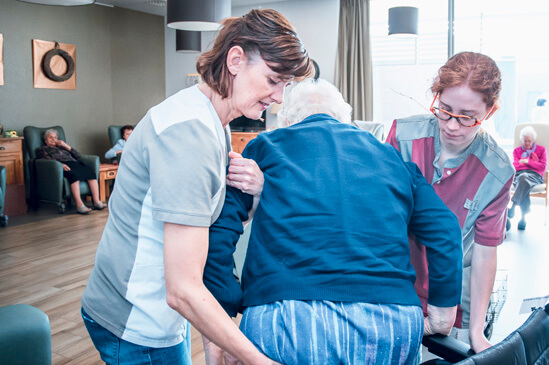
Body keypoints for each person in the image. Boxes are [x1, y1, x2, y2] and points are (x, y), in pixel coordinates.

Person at [80, 9, 311, 365]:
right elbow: (183, 290)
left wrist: (216, 344)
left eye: (285, 85)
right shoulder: (190, 135)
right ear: (236, 60)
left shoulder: (212, 121)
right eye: (273, 80)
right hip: (136, 321)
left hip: (158, 311)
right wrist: (259, 360)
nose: (279, 97)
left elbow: (207, 240)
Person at [205, 78, 463, 364]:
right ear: (347, 120)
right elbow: (446, 230)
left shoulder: (266, 146)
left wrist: (230, 299)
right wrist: (441, 315)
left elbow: (219, 227)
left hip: (287, 318)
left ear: (287, 121)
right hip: (391, 321)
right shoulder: (392, 158)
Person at [386, 51, 515, 354]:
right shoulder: (402, 136)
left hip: (450, 291)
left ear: (489, 112)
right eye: (444, 110)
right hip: (397, 279)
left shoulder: (497, 172)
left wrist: (476, 331)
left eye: (467, 117)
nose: (452, 126)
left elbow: (484, 253)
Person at [35, 129, 106, 214]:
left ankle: (96, 202)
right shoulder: (42, 149)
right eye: (50, 137)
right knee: (74, 176)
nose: (53, 139)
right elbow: (46, 160)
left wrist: (65, 145)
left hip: (74, 163)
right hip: (61, 166)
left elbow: (78, 155)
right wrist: (60, 165)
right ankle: (79, 205)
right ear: (45, 140)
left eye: (55, 137)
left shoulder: (62, 147)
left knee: (91, 173)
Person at [508, 126, 547, 230]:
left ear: (533, 140)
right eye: (525, 141)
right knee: (523, 180)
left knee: (523, 179)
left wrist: (526, 161)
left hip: (535, 176)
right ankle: (523, 219)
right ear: (522, 140)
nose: (527, 144)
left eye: (529, 141)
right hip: (519, 176)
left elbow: (543, 167)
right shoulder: (516, 151)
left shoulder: (541, 150)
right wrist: (534, 163)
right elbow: (515, 165)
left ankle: (513, 206)